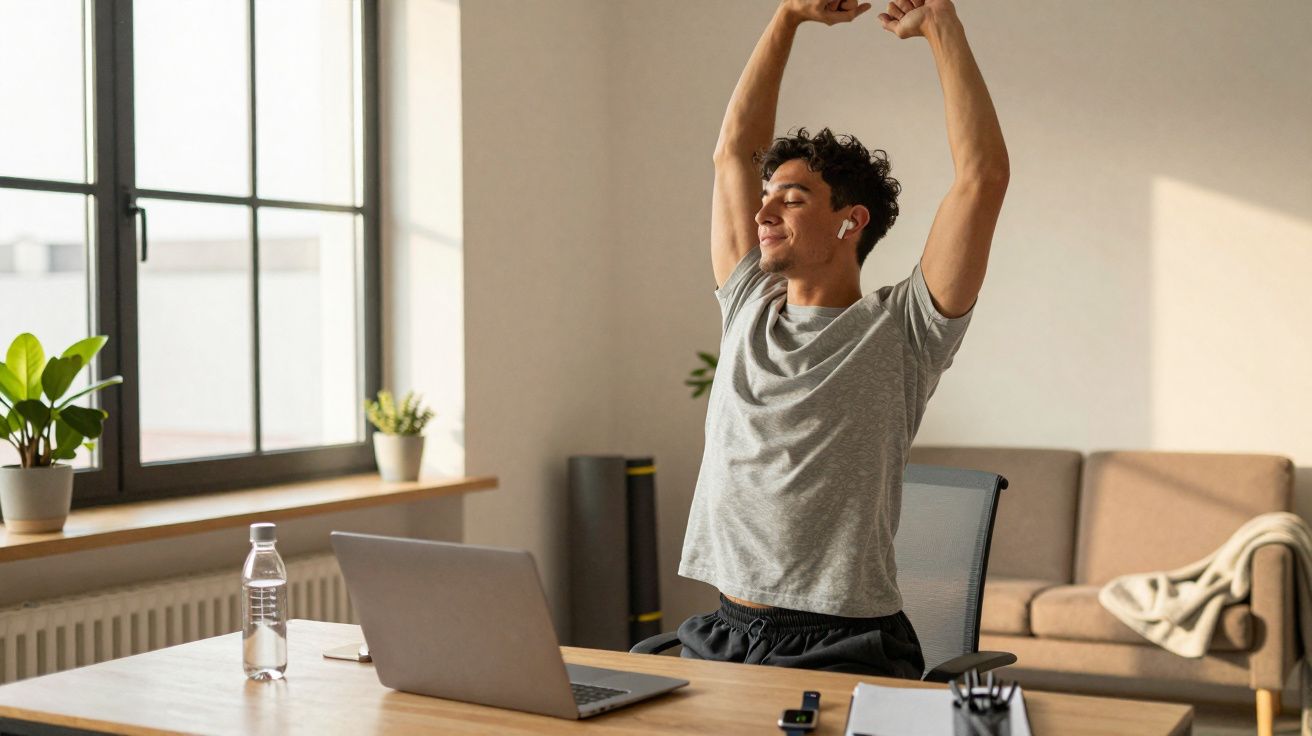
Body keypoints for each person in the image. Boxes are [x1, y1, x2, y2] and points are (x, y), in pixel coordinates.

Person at [676, 0, 1009, 679]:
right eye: (767, 194)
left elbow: (982, 180)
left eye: (792, 198)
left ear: (849, 222)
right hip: (725, 631)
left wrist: (942, 27)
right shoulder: (748, 304)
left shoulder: (904, 329)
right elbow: (730, 155)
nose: (765, 209)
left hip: (843, 644)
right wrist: (787, 17)